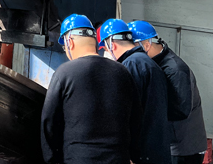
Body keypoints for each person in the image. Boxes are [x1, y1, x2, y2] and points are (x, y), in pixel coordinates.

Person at [41, 14, 141, 164]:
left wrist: (52, 160)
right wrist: (132, 156)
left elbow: (49, 123)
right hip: (117, 158)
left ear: (70, 42)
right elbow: (136, 119)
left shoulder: (65, 73)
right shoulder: (122, 72)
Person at [128, 21, 207, 164]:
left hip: (182, 150)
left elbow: (181, 110)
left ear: (146, 45)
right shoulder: (156, 64)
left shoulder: (175, 69)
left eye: (132, 48)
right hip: (170, 145)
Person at [98, 19, 172, 164]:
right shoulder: (147, 62)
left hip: (142, 152)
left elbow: (128, 113)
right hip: (156, 149)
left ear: (111, 45)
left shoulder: (131, 65)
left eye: (106, 49)